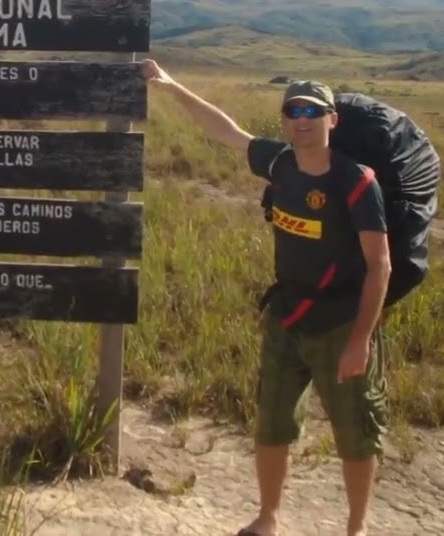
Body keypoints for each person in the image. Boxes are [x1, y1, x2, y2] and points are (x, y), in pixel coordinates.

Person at [141, 59, 391, 536]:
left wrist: (360, 339)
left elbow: (380, 265)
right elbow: (225, 130)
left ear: (331, 120)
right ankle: (268, 516)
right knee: (272, 426)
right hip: (286, 318)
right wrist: (172, 86)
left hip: (341, 325)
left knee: (355, 436)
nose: (302, 118)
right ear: (284, 119)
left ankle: (356, 528)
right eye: (293, 110)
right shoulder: (279, 162)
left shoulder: (356, 182)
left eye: (313, 111)